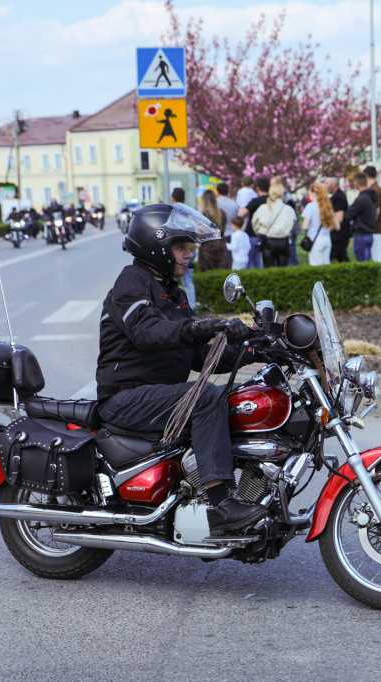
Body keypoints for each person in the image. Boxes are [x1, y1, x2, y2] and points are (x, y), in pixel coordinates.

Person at [95, 203, 268, 534]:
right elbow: (148, 333)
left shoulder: (172, 293)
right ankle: (219, 505)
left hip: (157, 394)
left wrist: (256, 349)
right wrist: (207, 326)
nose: (189, 254)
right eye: (181, 247)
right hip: (126, 397)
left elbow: (199, 356)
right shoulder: (131, 283)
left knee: (237, 398)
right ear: (156, 246)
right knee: (205, 396)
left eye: (190, 247)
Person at [252, 182, 295, 267]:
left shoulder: (263, 208)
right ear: (282, 194)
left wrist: (260, 233)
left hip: (268, 240)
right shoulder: (288, 209)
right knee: (283, 270)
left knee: (268, 269)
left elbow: (255, 223)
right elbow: (293, 223)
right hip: (284, 241)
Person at [170, 187, 196, 308]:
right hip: (192, 248)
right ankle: (192, 306)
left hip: (180, 251)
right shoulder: (189, 211)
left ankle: (178, 306)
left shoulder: (172, 212)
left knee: (173, 279)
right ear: (184, 198)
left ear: (172, 198)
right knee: (188, 280)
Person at [344, 172, 378, 262]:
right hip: (369, 232)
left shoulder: (361, 199)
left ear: (356, 183)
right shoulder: (371, 197)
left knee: (362, 262)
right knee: (367, 259)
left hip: (361, 234)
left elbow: (348, 215)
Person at [301, 182, 336, 266]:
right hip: (327, 238)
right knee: (326, 265)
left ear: (313, 193)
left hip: (315, 238)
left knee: (316, 266)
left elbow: (305, 226)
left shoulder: (311, 206)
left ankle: (318, 280)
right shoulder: (327, 206)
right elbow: (333, 224)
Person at [237, 176, 268, 269]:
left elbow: (242, 214)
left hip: (252, 232)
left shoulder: (255, 201)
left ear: (258, 188)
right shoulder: (271, 200)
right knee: (259, 261)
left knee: (249, 260)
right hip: (267, 233)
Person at [197, 189, 231, 271]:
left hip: (207, 247)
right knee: (222, 275)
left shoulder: (203, 216)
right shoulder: (222, 213)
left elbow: (199, 234)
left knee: (207, 276)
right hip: (221, 245)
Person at [363, 166, 381, 262]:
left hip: (376, 229)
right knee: (379, 255)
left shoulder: (374, 190)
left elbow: (376, 210)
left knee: (378, 257)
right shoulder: (378, 188)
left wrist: (371, 225)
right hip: (379, 227)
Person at [325, 176, 350, 262]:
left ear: (334, 185)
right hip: (339, 235)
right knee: (341, 258)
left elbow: (339, 218)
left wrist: (327, 230)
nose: (325, 186)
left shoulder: (338, 198)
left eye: (327, 183)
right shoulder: (336, 196)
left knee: (336, 257)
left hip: (338, 236)